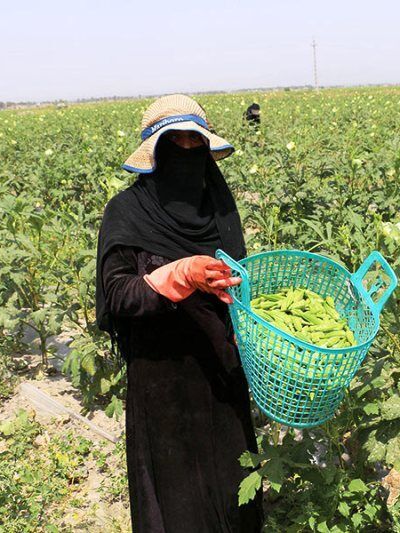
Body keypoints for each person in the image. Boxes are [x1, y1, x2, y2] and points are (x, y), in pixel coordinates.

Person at [95, 94, 263, 532]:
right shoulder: (126, 213)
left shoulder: (220, 209)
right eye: (176, 143)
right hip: (162, 380)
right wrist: (182, 274)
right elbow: (118, 296)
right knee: (178, 502)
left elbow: (239, 276)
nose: (188, 152)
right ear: (155, 154)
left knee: (233, 487)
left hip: (221, 370)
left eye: (196, 143)